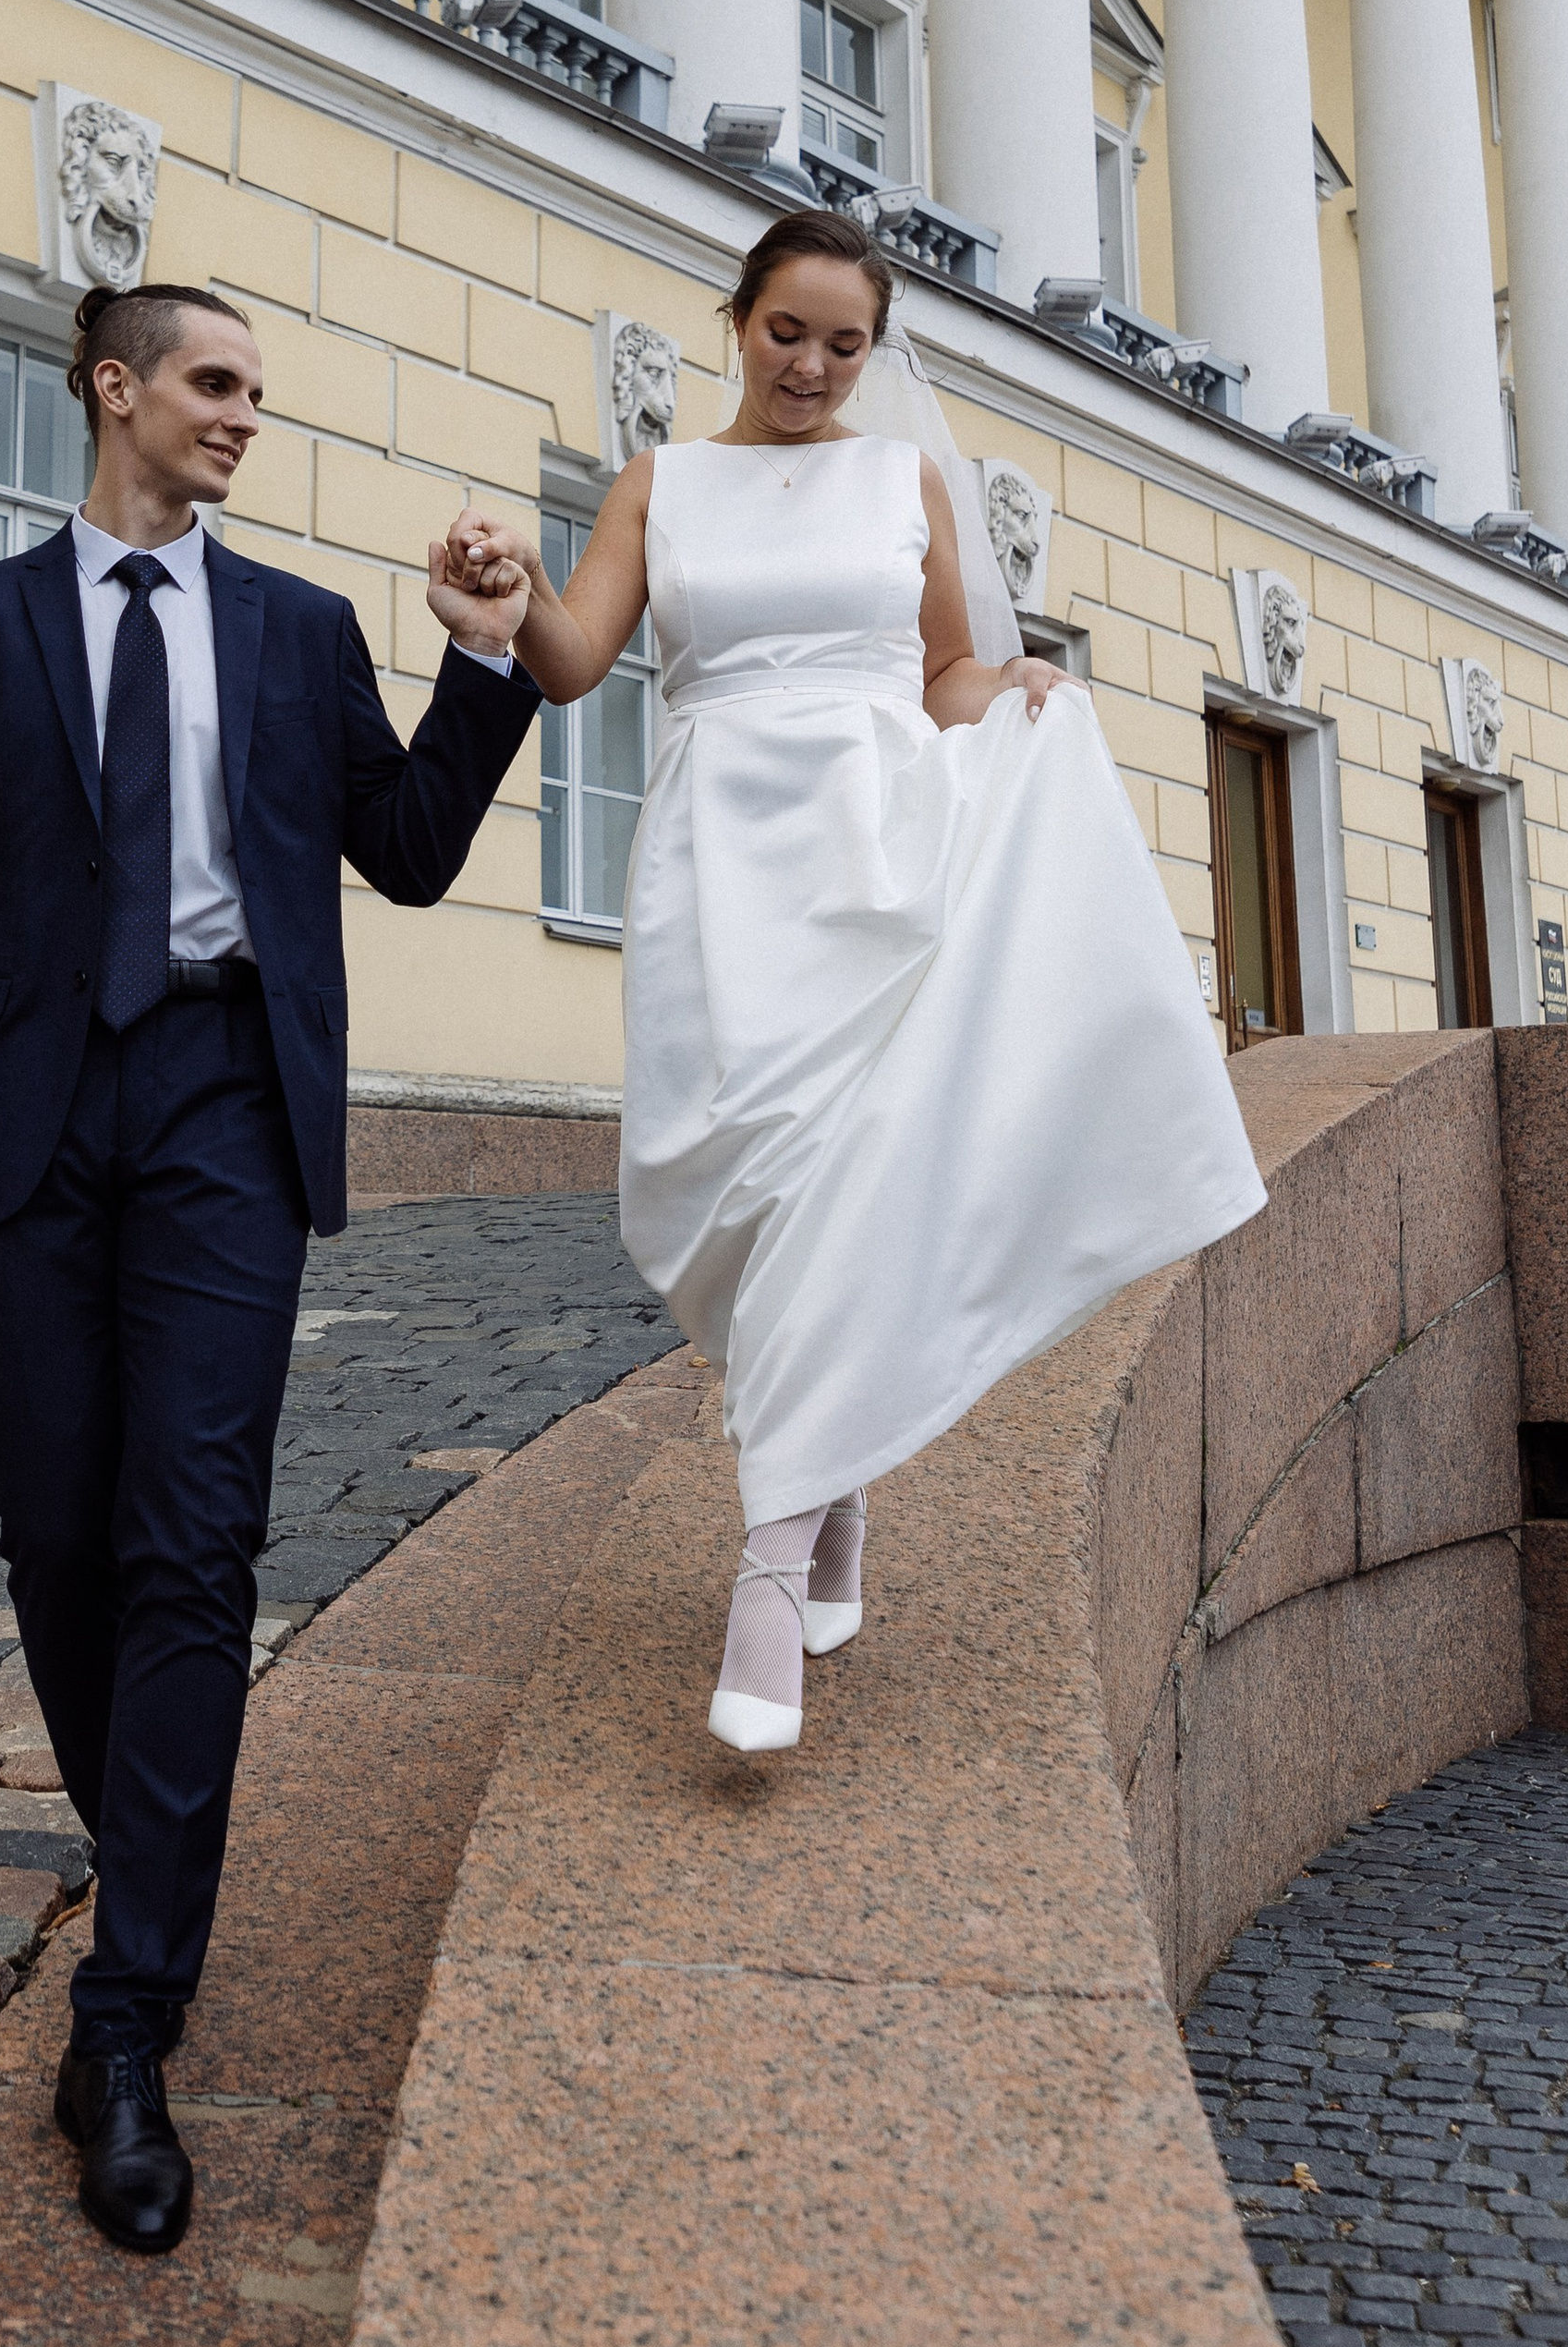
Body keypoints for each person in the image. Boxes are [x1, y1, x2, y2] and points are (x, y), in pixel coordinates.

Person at [0, 282, 538, 2256]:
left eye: (254, 395)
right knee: (56, 1534)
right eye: (211, 385)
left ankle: (125, 2018)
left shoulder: (296, 631)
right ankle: (147, 1847)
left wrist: (479, 667)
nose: (239, 419)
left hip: (225, 1101)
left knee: (189, 1542)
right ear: (111, 390)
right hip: (36, 1109)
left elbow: (406, 851)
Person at [445, 209, 1266, 1757]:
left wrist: (1012, 687)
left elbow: (944, 670)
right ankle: (839, 1491)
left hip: (878, 856)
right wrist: (504, 603)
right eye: (787, 333)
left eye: (846, 343)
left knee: (839, 1179)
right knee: (746, 1191)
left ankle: (768, 1568)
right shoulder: (658, 483)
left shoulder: (912, 481)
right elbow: (573, 660)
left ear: (874, 354)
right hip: (716, 867)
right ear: (737, 322)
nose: (816, 366)